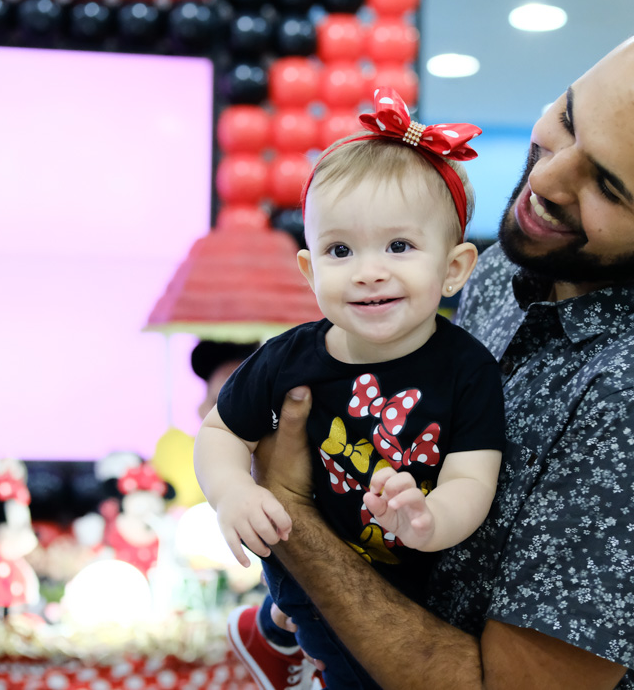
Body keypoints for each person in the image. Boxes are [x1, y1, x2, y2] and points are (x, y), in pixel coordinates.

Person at [250, 0, 634, 689]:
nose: (546, 182)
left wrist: (294, 516)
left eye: (608, 186)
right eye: (568, 118)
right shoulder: (518, 263)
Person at [194, 88, 507, 690]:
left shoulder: (469, 369)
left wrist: (429, 519)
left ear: (454, 269)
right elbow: (220, 431)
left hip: (418, 581)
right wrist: (231, 491)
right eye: (340, 250)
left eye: (399, 246)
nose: (368, 271)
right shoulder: (287, 357)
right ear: (310, 270)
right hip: (308, 569)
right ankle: (285, 626)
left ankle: (271, 631)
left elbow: (472, 478)